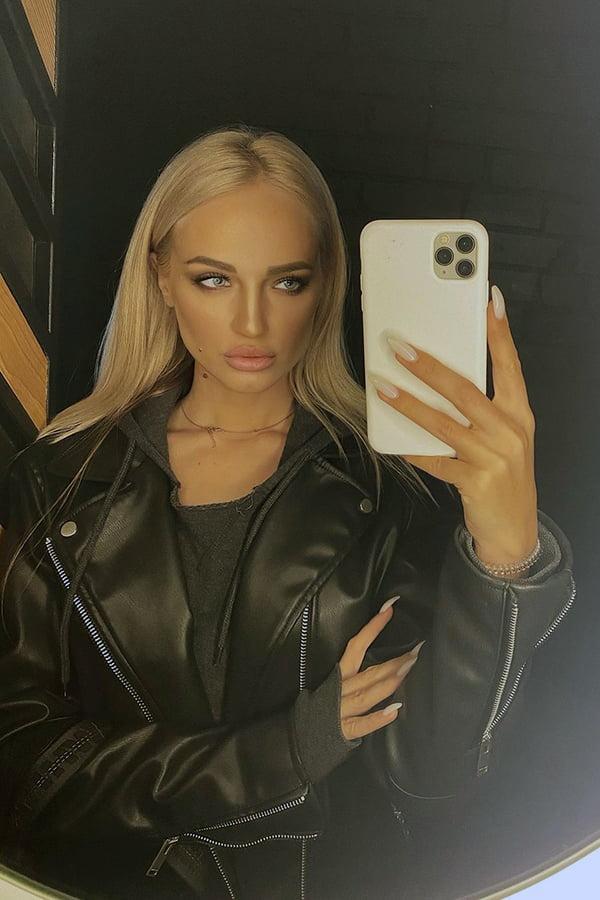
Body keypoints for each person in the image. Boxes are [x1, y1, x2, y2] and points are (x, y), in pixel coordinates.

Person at [0, 124, 575, 900]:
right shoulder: (62, 477)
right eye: (213, 279)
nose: (250, 324)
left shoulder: (393, 488)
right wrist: (287, 749)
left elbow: (430, 777)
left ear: (326, 285)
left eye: (287, 282)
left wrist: (505, 558)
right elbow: (26, 767)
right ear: (160, 275)